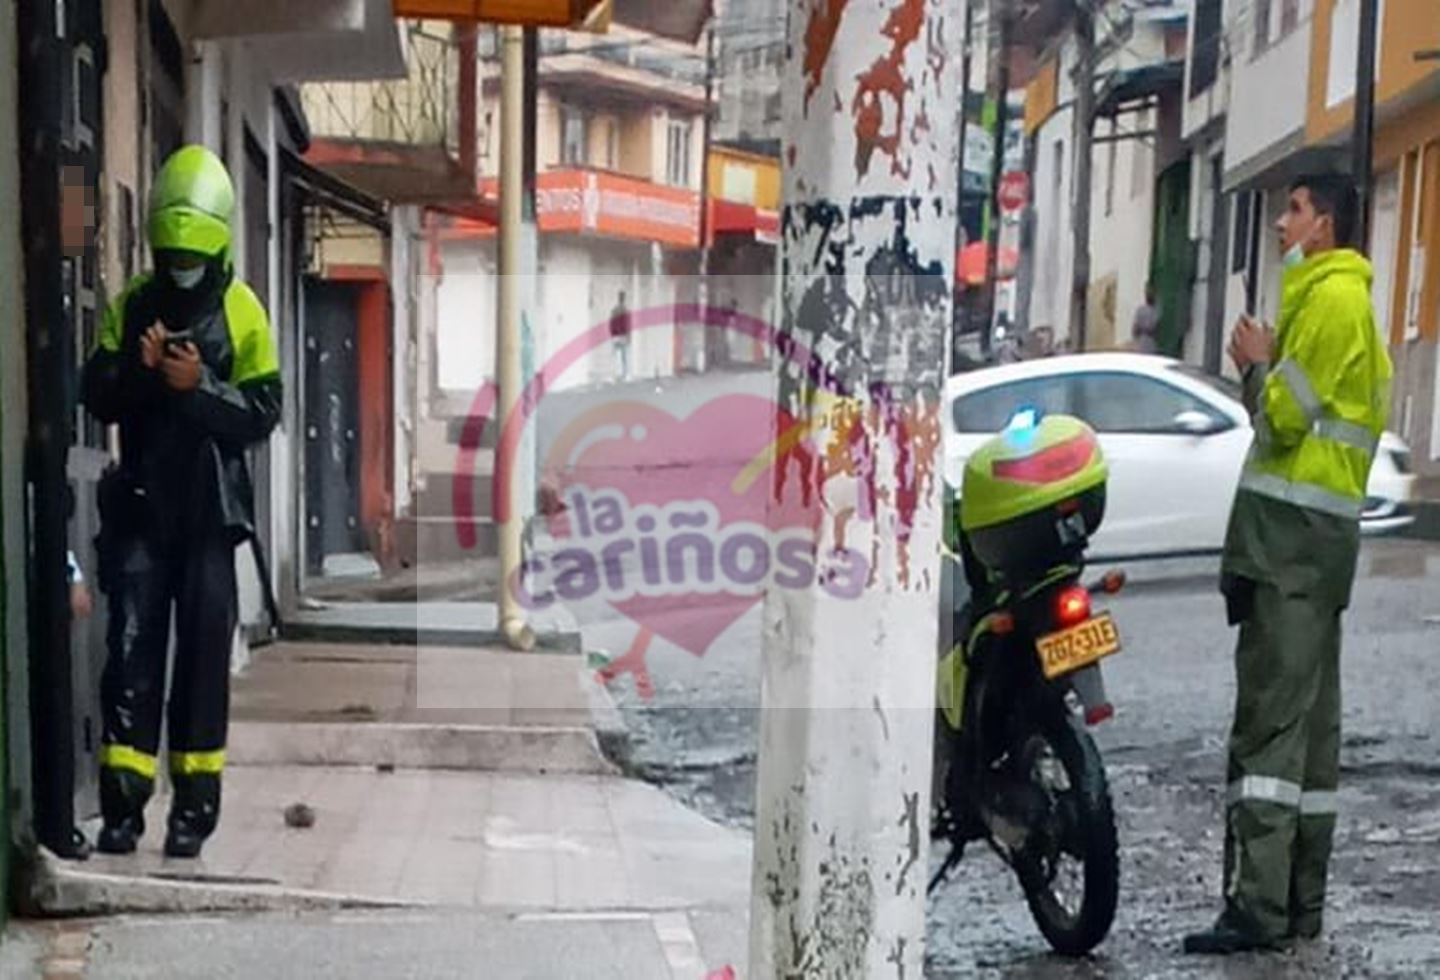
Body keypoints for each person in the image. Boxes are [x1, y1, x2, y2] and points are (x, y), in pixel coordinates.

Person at [1183, 175, 1392, 954]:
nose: (1280, 222)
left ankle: (1258, 910)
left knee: (1270, 732)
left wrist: (1255, 364)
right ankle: (1297, 907)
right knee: (1308, 737)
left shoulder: (1331, 302)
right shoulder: (1339, 300)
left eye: (1295, 209)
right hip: (1315, 546)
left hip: (1289, 545)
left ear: (1325, 222)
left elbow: (1280, 420)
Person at [81, 145, 281, 859]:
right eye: (171, 256)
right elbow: (94, 391)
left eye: (191, 259)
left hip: (207, 520)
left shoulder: (242, 310)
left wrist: (199, 388)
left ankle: (193, 813)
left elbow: (262, 414)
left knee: (200, 668)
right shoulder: (134, 303)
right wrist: (137, 377)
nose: (180, 272)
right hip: (140, 510)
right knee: (129, 658)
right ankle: (123, 810)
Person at [609, 290, 632, 381]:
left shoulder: (614, 310)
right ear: (624, 299)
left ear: (618, 298)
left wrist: (612, 334)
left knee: (615, 356)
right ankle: (624, 375)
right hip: (623, 335)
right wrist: (629, 336)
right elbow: (628, 324)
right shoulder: (626, 311)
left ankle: (616, 374)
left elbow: (611, 323)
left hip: (616, 335)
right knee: (624, 357)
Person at [1131, 284, 1160, 354]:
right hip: (1147, 342)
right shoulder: (1155, 311)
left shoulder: (1142, 310)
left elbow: (1135, 328)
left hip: (1146, 343)